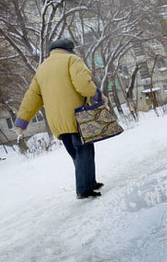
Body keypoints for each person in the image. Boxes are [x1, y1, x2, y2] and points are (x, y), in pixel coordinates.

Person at [14, 38, 103, 199]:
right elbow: (83, 84)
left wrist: (22, 121)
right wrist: (96, 95)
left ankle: (89, 182)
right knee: (84, 150)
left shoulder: (42, 69)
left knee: (78, 152)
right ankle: (83, 189)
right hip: (76, 117)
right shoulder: (71, 59)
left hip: (57, 122)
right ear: (69, 49)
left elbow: (32, 97)